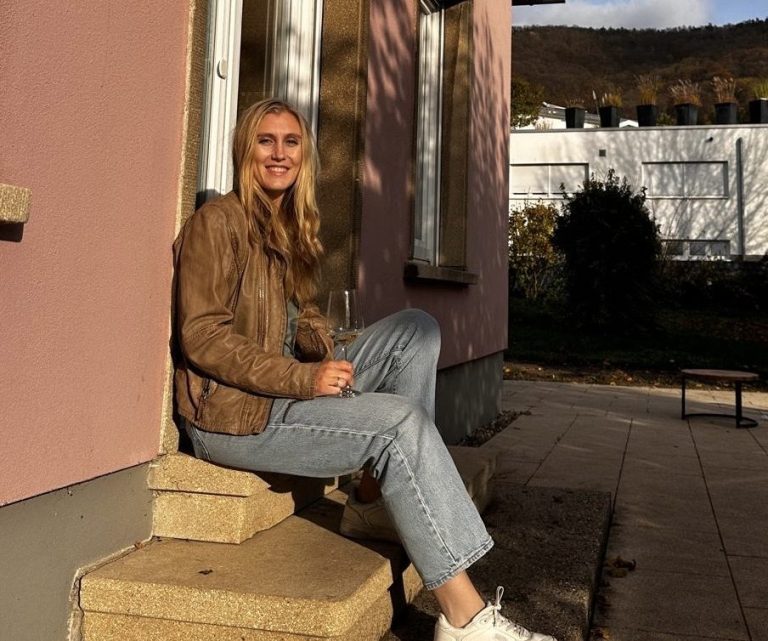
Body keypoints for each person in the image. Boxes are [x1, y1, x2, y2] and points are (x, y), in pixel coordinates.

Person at [173, 97, 557, 641]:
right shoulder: (217, 224)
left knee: (416, 329)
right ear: (245, 150)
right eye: (266, 141)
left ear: (304, 155)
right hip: (234, 415)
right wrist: (304, 378)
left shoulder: (287, 226)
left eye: (291, 142)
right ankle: (464, 620)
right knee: (399, 424)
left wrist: (326, 344)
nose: (279, 154)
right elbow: (203, 338)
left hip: (282, 386)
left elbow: (299, 320)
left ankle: (374, 501)